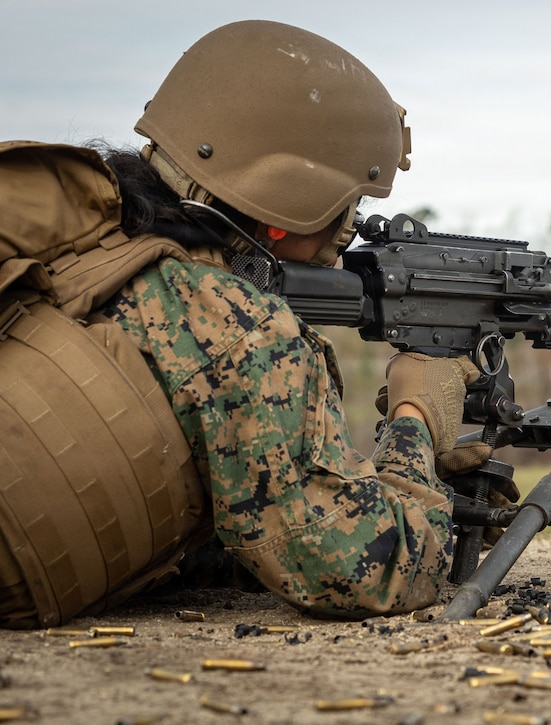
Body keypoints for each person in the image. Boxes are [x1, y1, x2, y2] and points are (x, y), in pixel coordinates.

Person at [0, 20, 487, 629]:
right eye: (350, 205)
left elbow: (217, 518)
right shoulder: (241, 330)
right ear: (292, 201)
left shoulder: (90, 253)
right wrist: (416, 420)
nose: (348, 231)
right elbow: (368, 570)